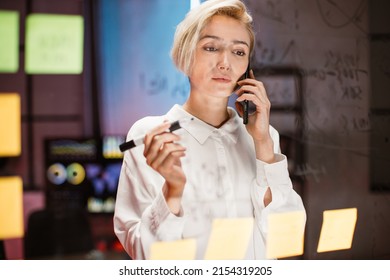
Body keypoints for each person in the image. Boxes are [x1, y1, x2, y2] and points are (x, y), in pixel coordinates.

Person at [114, 0, 306, 260]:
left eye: (239, 52)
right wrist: (171, 192)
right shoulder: (152, 135)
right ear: (186, 54)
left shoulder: (263, 136)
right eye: (211, 47)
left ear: (248, 68)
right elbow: (144, 255)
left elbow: (287, 237)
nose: (225, 63)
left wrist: (263, 146)